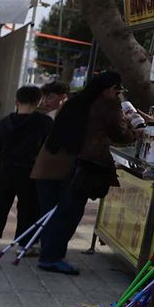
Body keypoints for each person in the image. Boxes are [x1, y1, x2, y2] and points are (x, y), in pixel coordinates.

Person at [29, 71, 140, 275]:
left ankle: (50, 252)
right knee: (68, 213)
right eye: (118, 90)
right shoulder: (107, 105)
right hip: (76, 168)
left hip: (48, 163)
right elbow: (120, 134)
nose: (118, 94)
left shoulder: (74, 101)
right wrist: (136, 130)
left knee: (51, 212)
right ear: (110, 89)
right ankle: (51, 258)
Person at [0, 85, 53, 252]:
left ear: (16, 101)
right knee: (29, 207)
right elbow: (51, 147)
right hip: (31, 170)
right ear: (38, 101)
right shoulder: (45, 123)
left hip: (6, 168)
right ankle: (24, 243)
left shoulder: (5, 122)